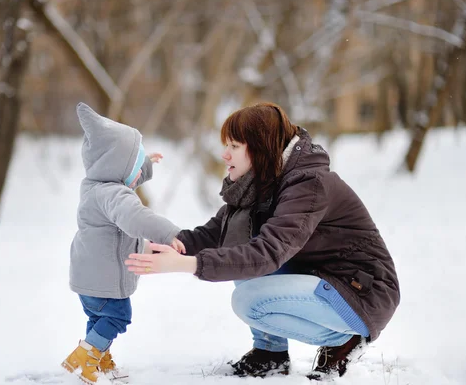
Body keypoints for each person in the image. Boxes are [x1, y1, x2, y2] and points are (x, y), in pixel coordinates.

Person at [125, 102, 400, 380]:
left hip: (361, 292)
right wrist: (158, 247)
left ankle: (343, 339)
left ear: (258, 147)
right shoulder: (261, 182)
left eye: (233, 145)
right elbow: (213, 235)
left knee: (249, 301)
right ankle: (269, 354)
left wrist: (188, 265)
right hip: (322, 280)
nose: (224, 154)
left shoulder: (309, 184)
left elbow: (268, 253)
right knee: (240, 241)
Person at [62, 103, 185, 383]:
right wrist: (169, 233)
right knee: (118, 317)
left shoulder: (95, 187)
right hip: (103, 280)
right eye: (136, 164)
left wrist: (146, 165)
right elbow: (135, 216)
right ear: (116, 165)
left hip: (88, 278)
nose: (139, 172)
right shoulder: (113, 196)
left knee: (98, 319)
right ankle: (84, 358)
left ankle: (99, 360)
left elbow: (126, 183)